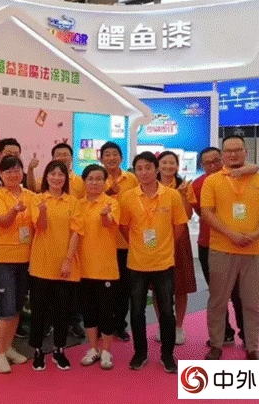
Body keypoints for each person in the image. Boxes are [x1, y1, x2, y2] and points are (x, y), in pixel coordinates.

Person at [201, 135, 259, 361]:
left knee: (253, 303)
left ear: (245, 152)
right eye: (228, 151)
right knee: (218, 301)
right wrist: (230, 233)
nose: (233, 154)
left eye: (237, 150)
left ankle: (253, 347)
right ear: (222, 154)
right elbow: (207, 212)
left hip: (254, 250)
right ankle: (216, 345)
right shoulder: (212, 181)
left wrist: (256, 234)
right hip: (222, 249)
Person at [120, 151, 188, 373]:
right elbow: (123, 227)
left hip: (164, 262)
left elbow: (179, 225)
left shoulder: (172, 195)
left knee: (167, 311)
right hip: (137, 263)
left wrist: (165, 245)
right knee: (137, 311)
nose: (144, 172)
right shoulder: (128, 197)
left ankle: (167, 355)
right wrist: (138, 245)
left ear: (156, 169)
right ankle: (140, 353)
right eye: (139, 168)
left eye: (148, 168)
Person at [193, 147, 257, 347]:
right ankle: (224, 334)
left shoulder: (238, 176)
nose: (212, 165)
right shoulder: (197, 185)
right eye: (207, 163)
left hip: (238, 244)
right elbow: (202, 213)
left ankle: (246, 335)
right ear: (201, 165)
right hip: (209, 244)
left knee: (240, 293)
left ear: (222, 159)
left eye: (216, 161)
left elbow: (255, 168)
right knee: (217, 294)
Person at [27, 142, 86, 338]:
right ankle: (37, 347)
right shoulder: (38, 199)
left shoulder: (74, 201)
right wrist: (43, 212)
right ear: (46, 177)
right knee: (39, 307)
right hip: (42, 261)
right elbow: (40, 227)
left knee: (64, 307)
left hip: (65, 262)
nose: (56, 178)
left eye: (60, 175)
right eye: (52, 174)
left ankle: (60, 346)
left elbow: (76, 232)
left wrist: (68, 260)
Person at [0, 155, 35, 373]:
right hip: (2, 260)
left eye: (16, 170)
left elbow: (39, 224)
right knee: (4, 309)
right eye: (8, 172)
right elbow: (3, 223)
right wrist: (14, 211)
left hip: (25, 259)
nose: (13, 175)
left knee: (16, 308)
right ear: (0, 174)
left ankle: (8, 348)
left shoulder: (30, 196)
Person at [75, 164, 120, 370]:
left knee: (106, 311)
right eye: (91, 179)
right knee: (88, 311)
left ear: (105, 182)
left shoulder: (111, 202)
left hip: (105, 268)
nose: (95, 182)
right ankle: (93, 348)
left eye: (99, 179)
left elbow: (109, 224)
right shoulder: (78, 204)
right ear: (84, 182)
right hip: (83, 268)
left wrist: (104, 215)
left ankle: (107, 351)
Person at [155, 150, 197, 345]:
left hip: (179, 238)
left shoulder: (185, 186)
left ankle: (179, 326)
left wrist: (182, 195)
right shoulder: (151, 185)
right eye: (164, 162)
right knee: (158, 285)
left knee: (181, 285)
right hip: (157, 238)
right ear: (158, 166)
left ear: (177, 166)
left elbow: (187, 215)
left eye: (172, 163)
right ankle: (163, 325)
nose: (168, 166)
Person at [100, 141, 138, 342]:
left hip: (125, 241)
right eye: (107, 154)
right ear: (101, 159)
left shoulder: (131, 179)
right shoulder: (96, 177)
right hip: (102, 242)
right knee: (104, 289)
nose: (111, 158)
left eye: (115, 154)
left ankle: (120, 325)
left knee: (124, 288)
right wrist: (107, 193)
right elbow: (88, 204)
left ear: (121, 158)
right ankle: (103, 325)